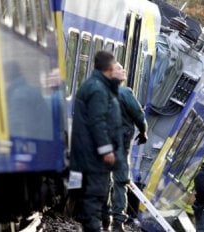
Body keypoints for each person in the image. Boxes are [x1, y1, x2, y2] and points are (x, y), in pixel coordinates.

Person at [69, 51, 124, 232]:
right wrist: (106, 150)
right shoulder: (98, 89)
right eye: (116, 66)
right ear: (109, 68)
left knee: (93, 199)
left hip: (89, 155)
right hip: (93, 158)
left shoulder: (98, 86)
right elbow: (98, 122)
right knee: (93, 199)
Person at [102, 63, 148, 232]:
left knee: (104, 181)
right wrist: (144, 133)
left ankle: (105, 218)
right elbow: (139, 116)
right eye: (121, 70)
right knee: (120, 181)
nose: (125, 71)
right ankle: (117, 222)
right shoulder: (125, 92)